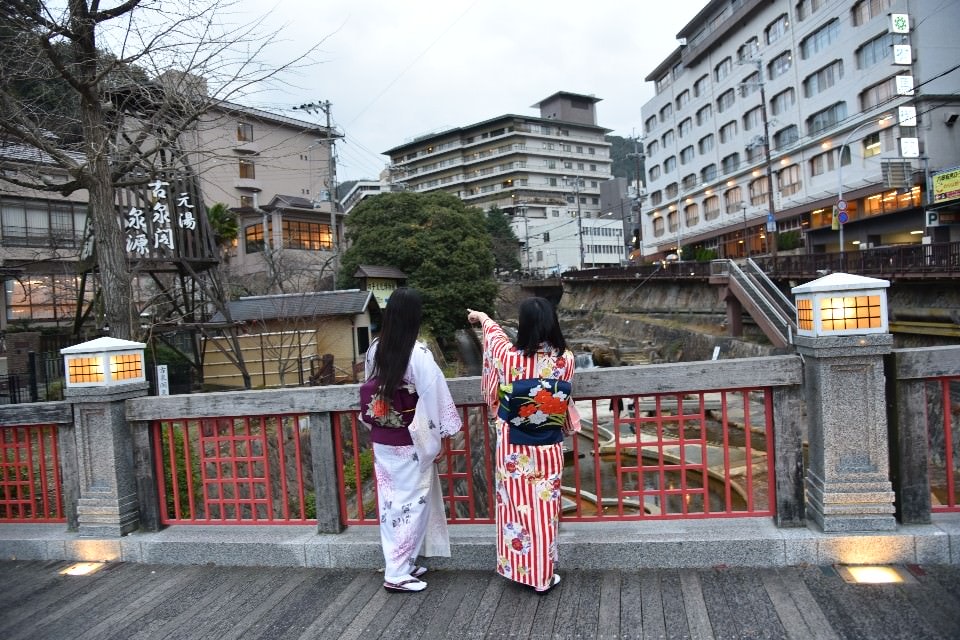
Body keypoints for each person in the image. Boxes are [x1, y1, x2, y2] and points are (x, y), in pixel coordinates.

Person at [467, 298, 577, 594]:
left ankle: (527, 572)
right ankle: (544, 572)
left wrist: (482, 316)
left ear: (525, 325)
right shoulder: (566, 359)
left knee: (516, 509)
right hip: (549, 444)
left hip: (514, 447)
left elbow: (494, 338)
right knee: (545, 509)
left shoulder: (510, 358)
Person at [359, 288, 462, 593]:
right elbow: (432, 398)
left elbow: (370, 390)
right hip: (411, 440)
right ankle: (396, 572)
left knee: (392, 504)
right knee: (412, 506)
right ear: (414, 318)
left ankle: (402, 562)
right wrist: (438, 440)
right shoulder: (418, 355)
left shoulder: (375, 349)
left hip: (383, 438)